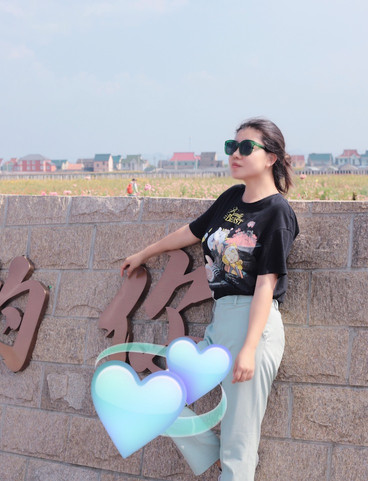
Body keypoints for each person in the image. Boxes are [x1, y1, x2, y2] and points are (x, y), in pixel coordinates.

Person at [121, 118, 299, 481]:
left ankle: (232, 463)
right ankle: (215, 454)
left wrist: (249, 348)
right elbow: (191, 232)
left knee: (239, 442)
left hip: (254, 325)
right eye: (232, 146)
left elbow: (266, 284)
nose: (235, 154)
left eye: (246, 147)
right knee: (161, 393)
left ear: (271, 158)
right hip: (221, 322)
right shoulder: (232, 198)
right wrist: (144, 253)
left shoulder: (277, 212)